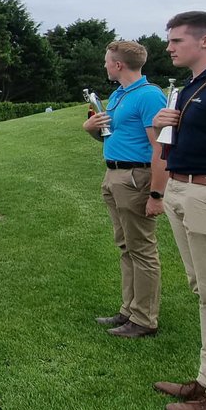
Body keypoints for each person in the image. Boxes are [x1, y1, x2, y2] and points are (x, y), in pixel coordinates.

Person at [151, 11, 206, 410]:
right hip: (184, 189)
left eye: (176, 40)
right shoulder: (190, 87)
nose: (169, 47)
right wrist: (166, 124)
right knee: (205, 291)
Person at [82, 40, 167, 338]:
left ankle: (144, 319)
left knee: (141, 249)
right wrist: (93, 130)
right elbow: (111, 136)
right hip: (114, 175)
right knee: (126, 246)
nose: (105, 65)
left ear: (118, 64)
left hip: (135, 178)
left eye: (107, 61)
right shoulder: (119, 94)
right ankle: (129, 309)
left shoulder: (149, 96)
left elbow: (159, 148)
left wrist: (157, 195)